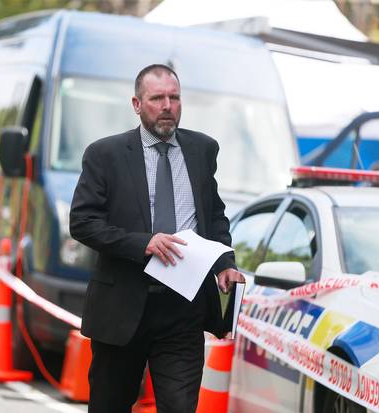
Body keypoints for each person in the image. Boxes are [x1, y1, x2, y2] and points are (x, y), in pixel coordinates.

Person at [69, 64, 245, 413]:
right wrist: (143, 243)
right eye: (157, 98)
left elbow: (213, 215)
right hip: (123, 306)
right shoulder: (106, 155)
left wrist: (225, 263)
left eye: (174, 97)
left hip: (184, 308)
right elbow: (83, 222)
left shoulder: (202, 149)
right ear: (137, 104)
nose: (167, 105)